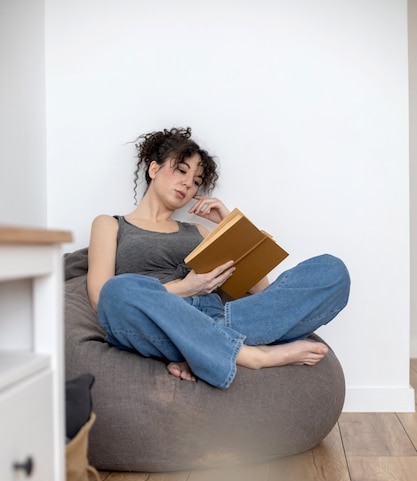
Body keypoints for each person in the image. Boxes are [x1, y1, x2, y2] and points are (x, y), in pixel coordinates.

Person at [87, 127, 350, 389]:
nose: (189, 183)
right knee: (117, 291)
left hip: (221, 318)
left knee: (332, 271)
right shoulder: (111, 224)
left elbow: (264, 292)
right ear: (154, 169)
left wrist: (229, 223)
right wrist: (186, 288)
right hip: (154, 319)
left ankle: (202, 350)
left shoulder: (198, 230)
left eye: (197, 180)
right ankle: (252, 355)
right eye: (181, 170)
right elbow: (100, 298)